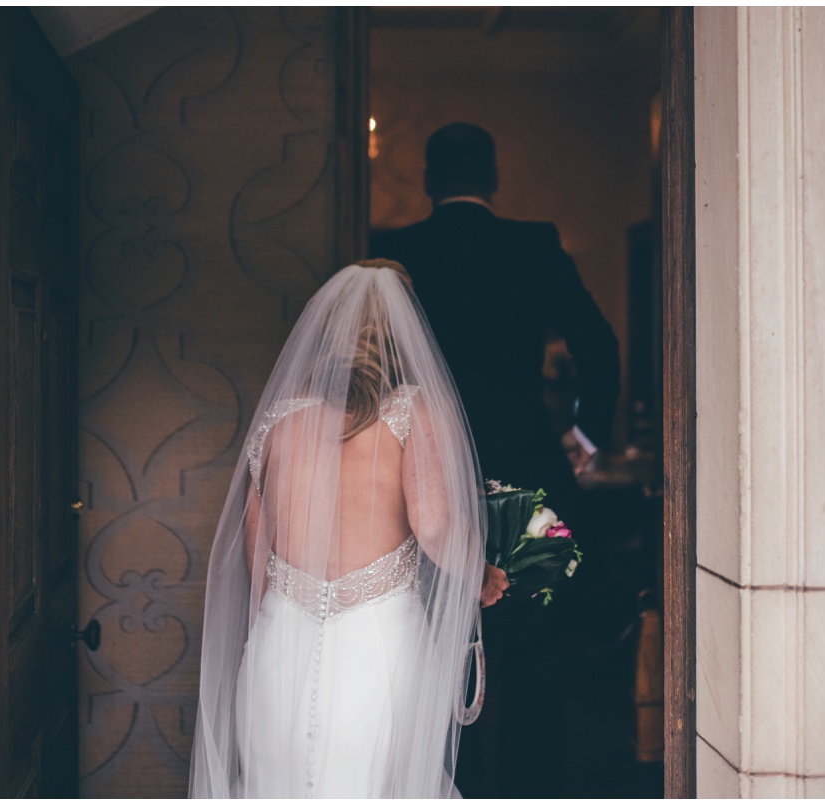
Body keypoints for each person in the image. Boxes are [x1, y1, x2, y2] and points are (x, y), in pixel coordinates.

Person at [189, 261, 508, 798]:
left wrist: (290, 618)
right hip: (379, 651)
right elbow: (432, 525)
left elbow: (256, 557)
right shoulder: (411, 411)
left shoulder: (279, 421)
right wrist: (479, 573)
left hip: (278, 650)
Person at [370, 123, 621, 798]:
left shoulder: (394, 252)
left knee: (440, 654)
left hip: (423, 487)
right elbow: (599, 346)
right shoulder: (534, 243)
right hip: (532, 482)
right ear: (493, 177)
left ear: (428, 179)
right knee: (537, 655)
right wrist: (583, 438)